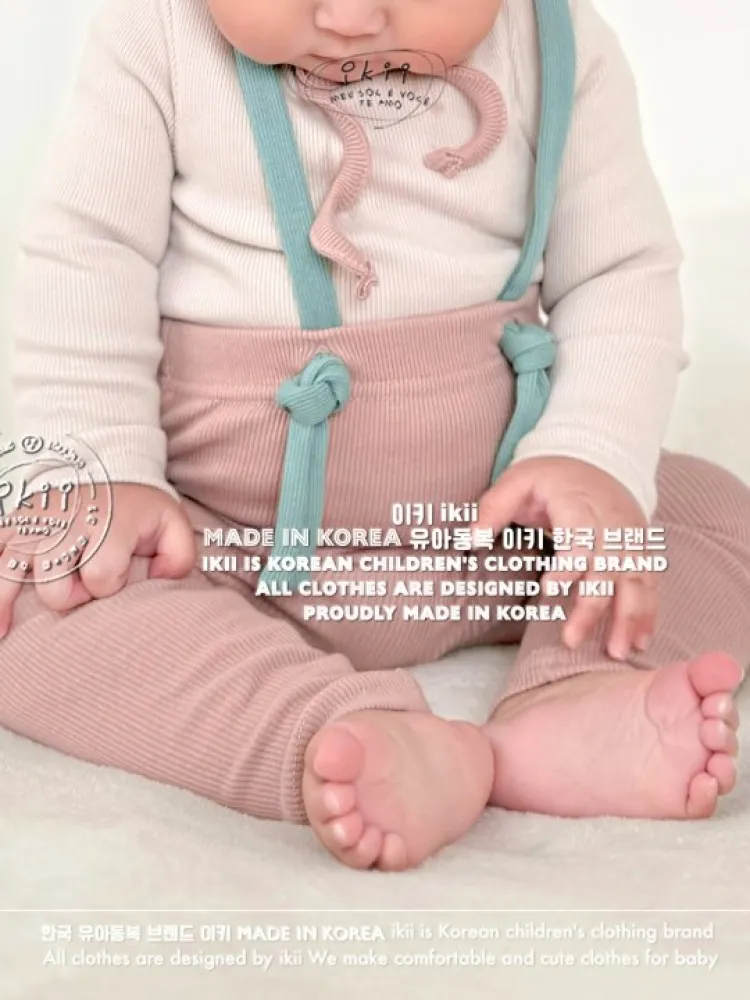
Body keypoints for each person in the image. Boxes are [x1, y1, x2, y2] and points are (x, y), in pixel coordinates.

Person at [2, 0, 747, 872]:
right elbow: (88, 256)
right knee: (39, 600)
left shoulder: (562, 45)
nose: (350, 17)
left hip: (502, 536)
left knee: (705, 510)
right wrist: (103, 466)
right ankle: (331, 730)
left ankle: (574, 694)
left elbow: (619, 275)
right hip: (226, 543)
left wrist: (590, 454)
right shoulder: (156, 35)